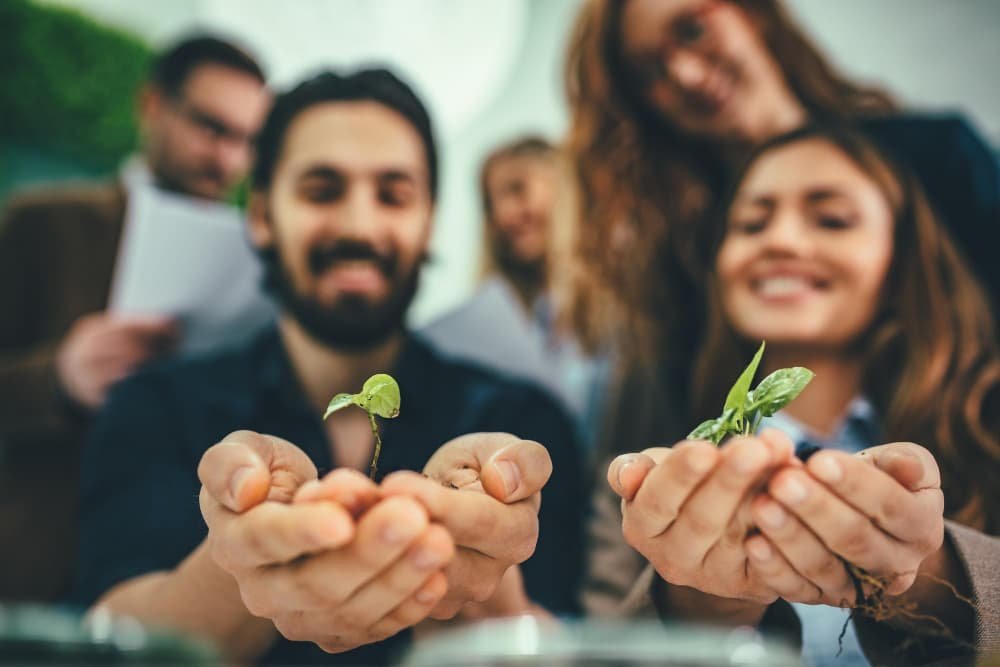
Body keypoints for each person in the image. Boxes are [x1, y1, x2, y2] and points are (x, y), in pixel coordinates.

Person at [73, 69, 583, 665]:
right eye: (322, 190)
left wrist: (472, 581)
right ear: (262, 215)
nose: (359, 227)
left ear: (429, 224)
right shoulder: (156, 405)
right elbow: (110, 635)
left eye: (393, 195)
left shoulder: (519, 425)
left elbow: (562, 638)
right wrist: (239, 557)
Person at [586, 126, 1000, 665]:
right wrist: (698, 604)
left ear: (902, 257)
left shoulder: (984, 426)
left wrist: (932, 576)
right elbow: (598, 648)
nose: (779, 241)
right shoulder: (644, 468)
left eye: (831, 219)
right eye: (751, 223)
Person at [555, 0, 1000, 462]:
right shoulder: (682, 253)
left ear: (752, 12)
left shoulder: (938, 157)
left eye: (691, 30)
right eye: (648, 73)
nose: (684, 74)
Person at [0, 34, 270, 602]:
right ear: (152, 106)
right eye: (211, 128)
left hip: (177, 573)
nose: (228, 159)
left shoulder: (265, 265)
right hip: (39, 567)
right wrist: (58, 379)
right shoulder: (40, 224)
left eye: (248, 141)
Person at [422, 136, 607, 454]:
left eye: (517, 189)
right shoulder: (455, 336)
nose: (504, 214)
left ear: (564, 189)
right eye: (491, 203)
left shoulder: (627, 321)